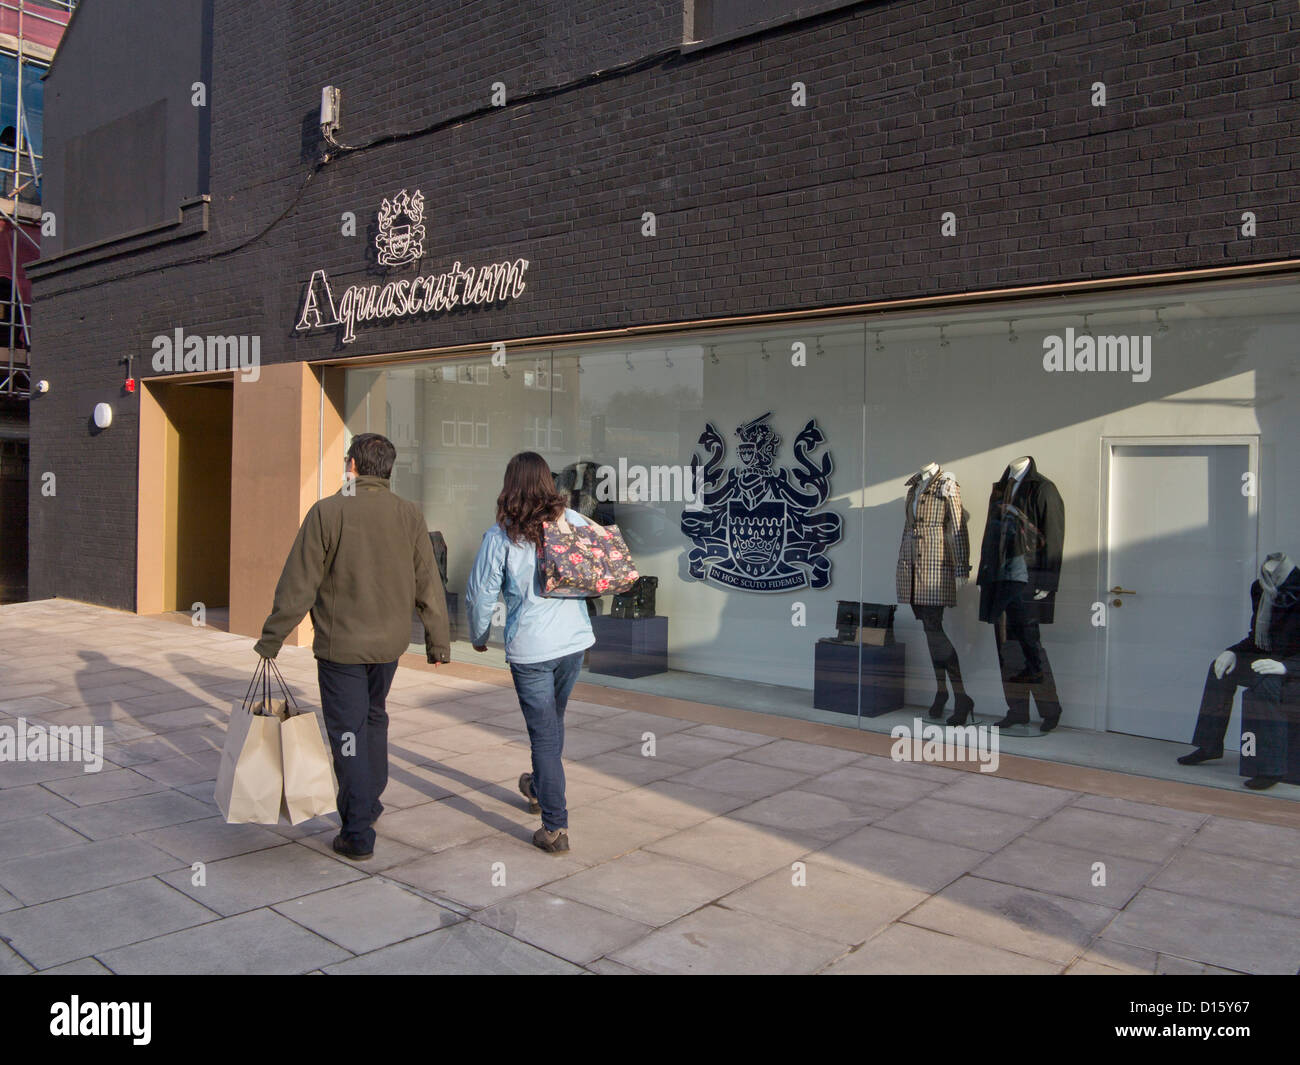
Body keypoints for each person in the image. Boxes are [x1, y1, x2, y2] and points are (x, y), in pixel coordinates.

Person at [254, 433, 450, 860]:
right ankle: (371, 799)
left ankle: (357, 831)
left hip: (342, 647)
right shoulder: (408, 514)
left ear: (352, 466)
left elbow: (298, 582)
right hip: (389, 647)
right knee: (374, 717)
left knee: (348, 733)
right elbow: (428, 581)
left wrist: (272, 637)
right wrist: (438, 641)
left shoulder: (328, 511)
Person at [466, 452, 595, 853]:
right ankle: (539, 787)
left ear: (510, 485)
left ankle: (554, 828)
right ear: (546, 481)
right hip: (573, 642)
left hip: (532, 650)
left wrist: (478, 633)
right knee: (551, 726)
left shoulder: (501, 535)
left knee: (543, 735)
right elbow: (598, 557)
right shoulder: (571, 520)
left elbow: (481, 592)